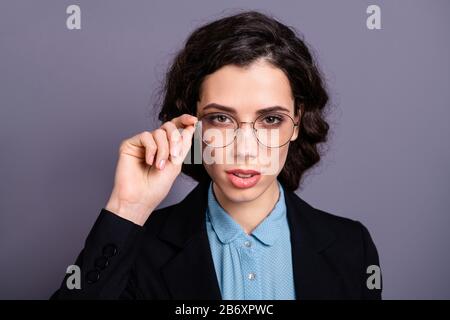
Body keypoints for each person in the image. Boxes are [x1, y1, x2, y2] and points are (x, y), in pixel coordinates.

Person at [51, 10, 382, 300]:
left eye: (270, 119)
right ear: (191, 122)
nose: (245, 149)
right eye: (221, 118)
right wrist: (127, 208)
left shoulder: (352, 247)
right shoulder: (135, 247)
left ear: (297, 123)